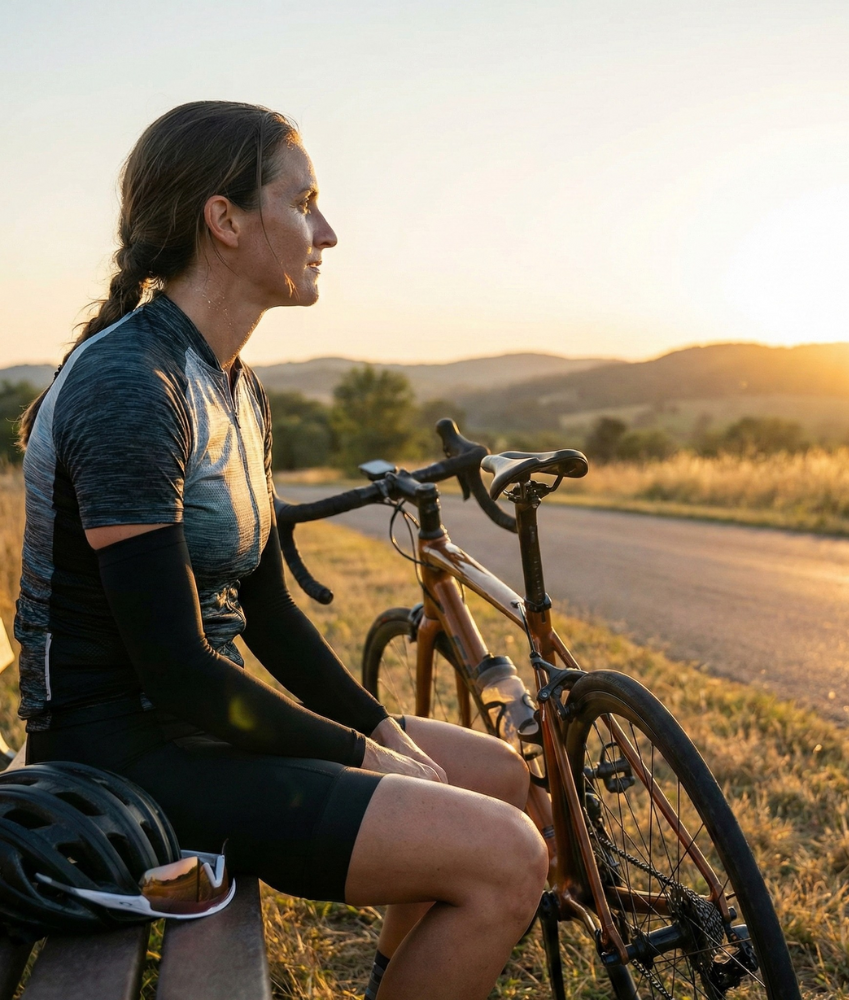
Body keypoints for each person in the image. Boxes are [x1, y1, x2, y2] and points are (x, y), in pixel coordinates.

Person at [15, 101, 548, 1000]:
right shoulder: (130, 383)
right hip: (124, 756)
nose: (326, 232)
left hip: (200, 729)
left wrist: (379, 729)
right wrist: (361, 757)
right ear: (224, 220)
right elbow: (177, 671)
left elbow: (266, 611)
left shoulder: (235, 384)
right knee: (511, 856)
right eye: (303, 203)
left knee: (495, 774)